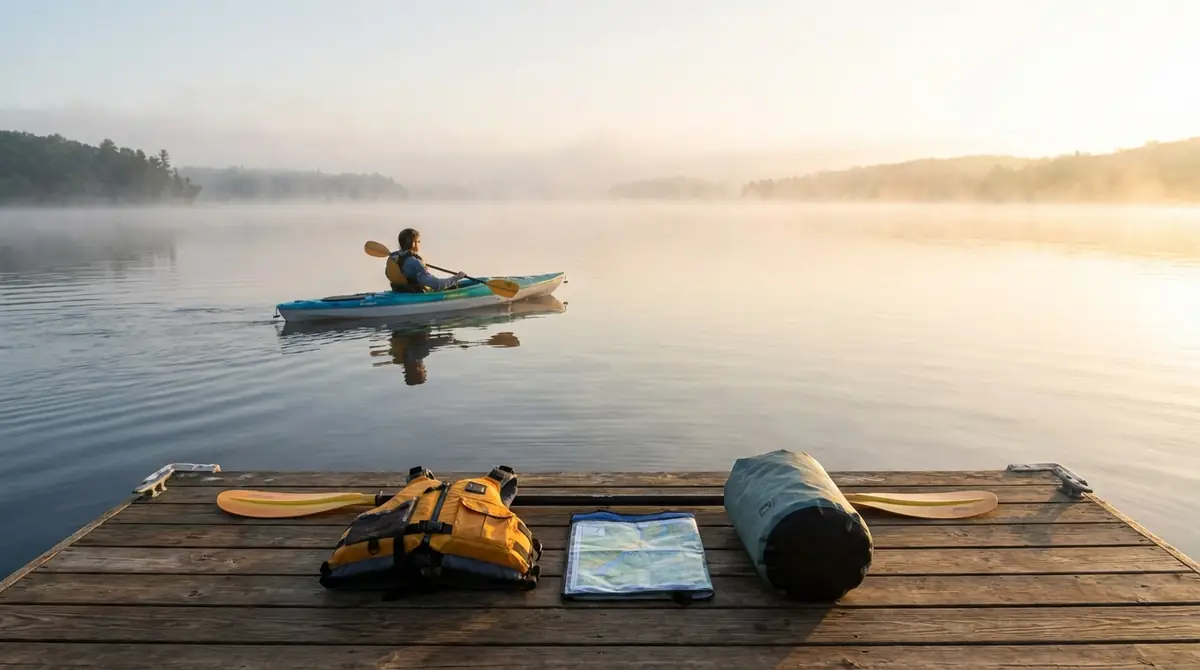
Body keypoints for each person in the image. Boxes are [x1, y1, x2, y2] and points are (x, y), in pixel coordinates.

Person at [385, 228, 466, 293]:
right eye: (418, 241)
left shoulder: (393, 257)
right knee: (453, 286)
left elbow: (388, 274)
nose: (420, 244)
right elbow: (436, 285)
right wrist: (456, 278)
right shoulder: (415, 262)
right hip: (414, 295)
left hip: (399, 292)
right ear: (413, 243)